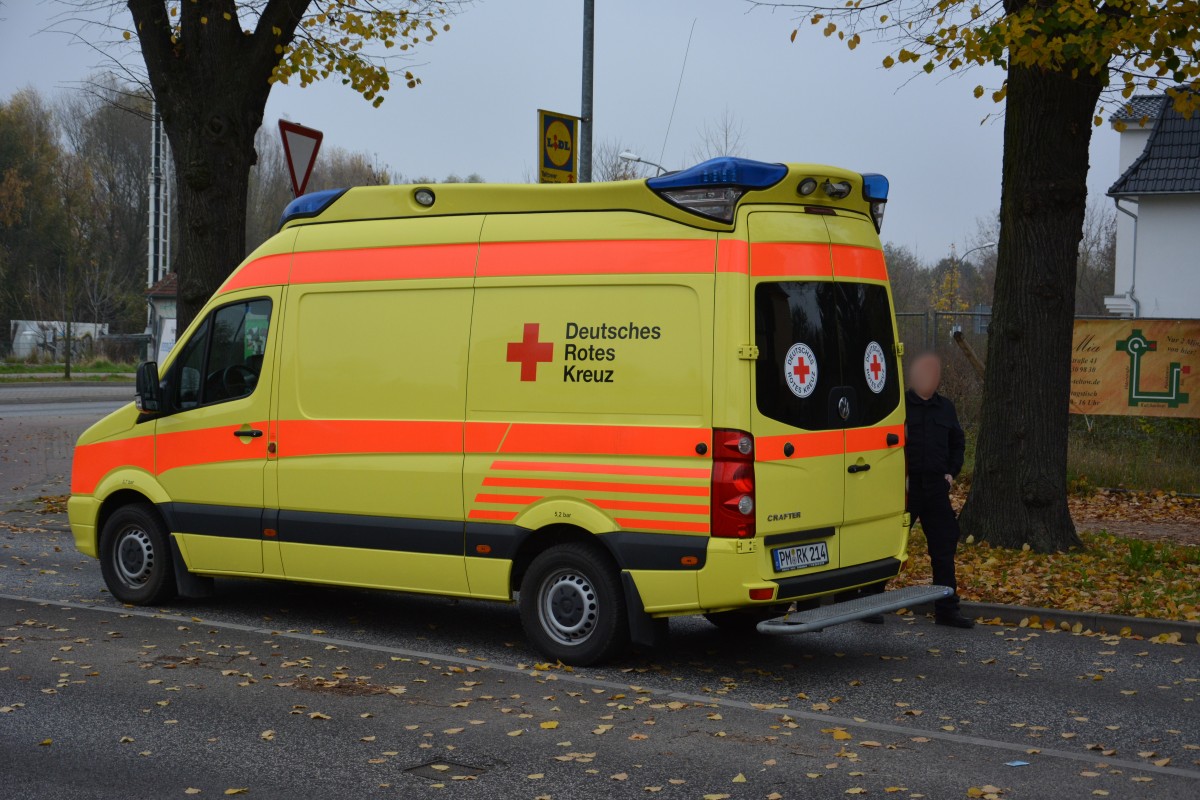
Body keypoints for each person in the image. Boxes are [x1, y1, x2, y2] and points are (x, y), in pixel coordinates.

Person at [905, 352, 974, 628]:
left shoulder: (946, 408)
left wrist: (951, 472)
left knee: (944, 548)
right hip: (905, 489)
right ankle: (869, 601)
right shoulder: (900, 407)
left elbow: (958, 442)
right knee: (889, 546)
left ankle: (947, 609)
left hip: (935, 488)